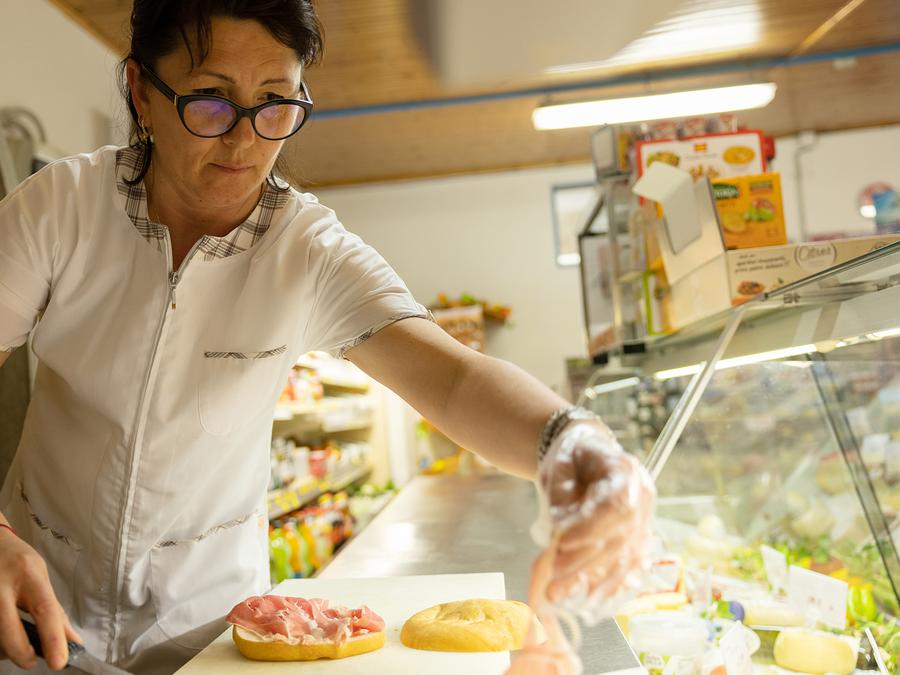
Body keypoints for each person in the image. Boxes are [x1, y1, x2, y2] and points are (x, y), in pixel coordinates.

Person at [0, 2, 654, 673]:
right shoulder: (61, 209)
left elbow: (452, 377)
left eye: (275, 103)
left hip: (209, 632)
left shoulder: (307, 250)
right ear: (142, 90)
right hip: (33, 610)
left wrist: (573, 441)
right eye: (212, 101)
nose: (245, 140)